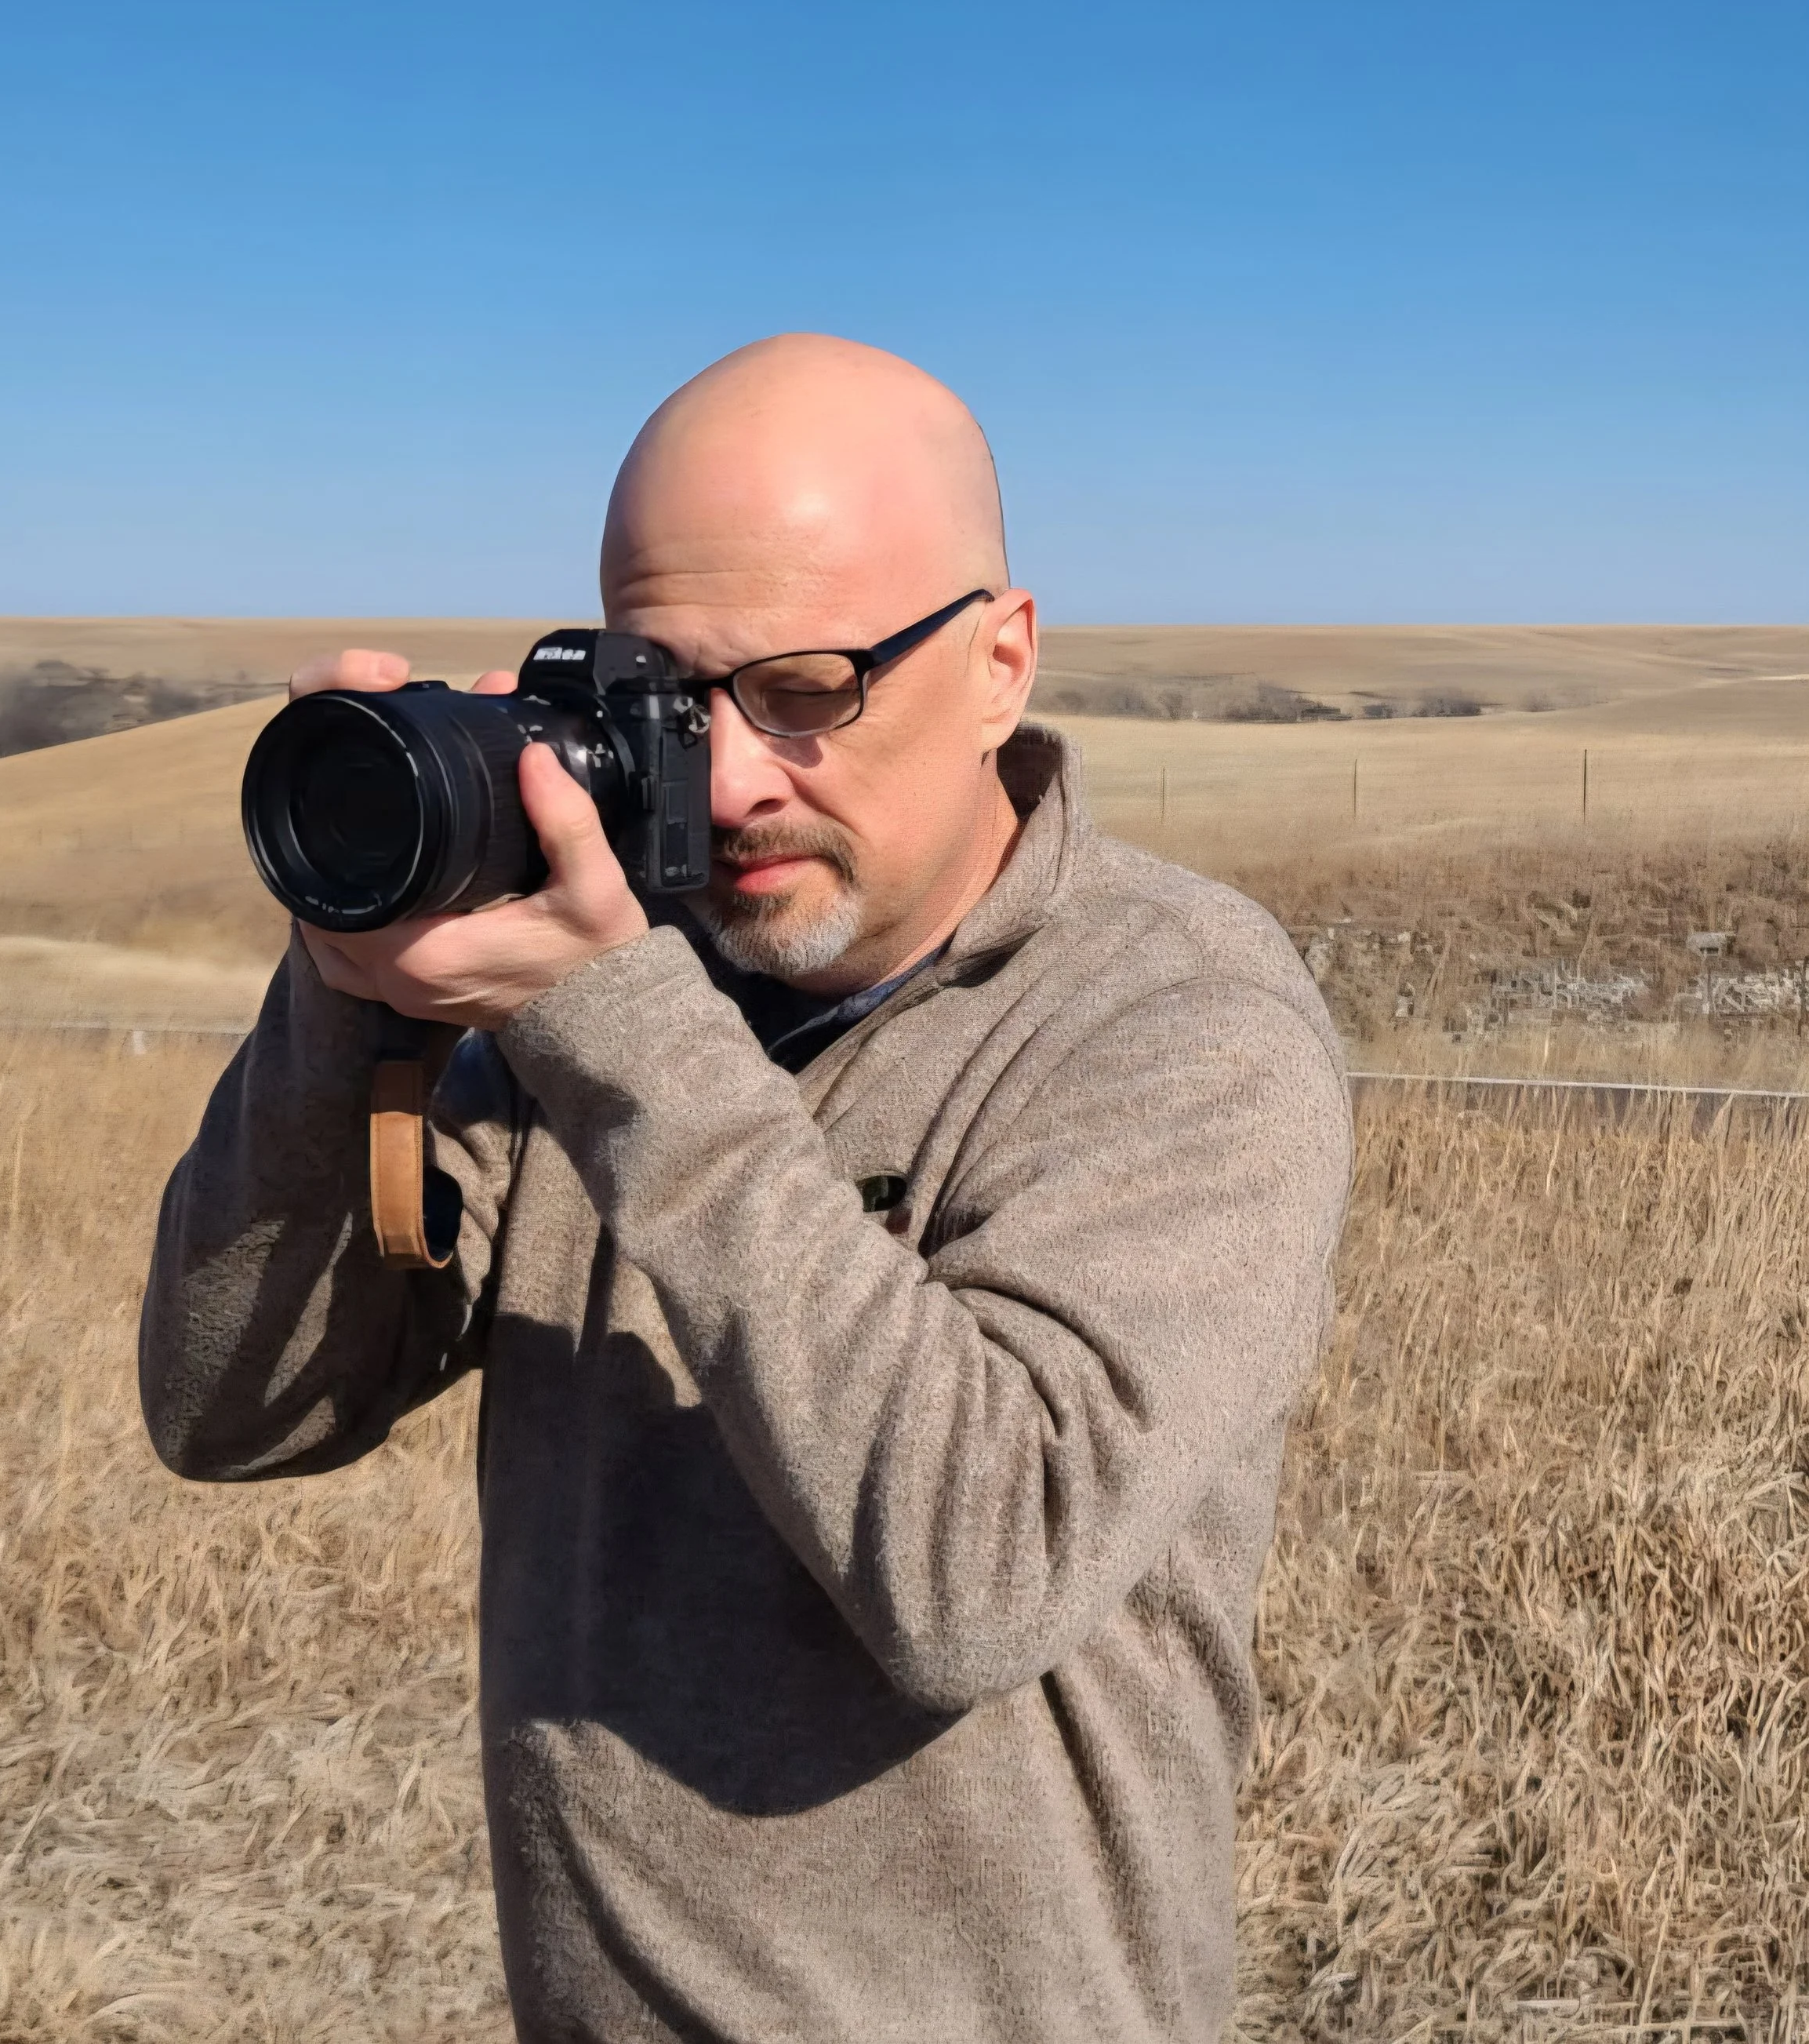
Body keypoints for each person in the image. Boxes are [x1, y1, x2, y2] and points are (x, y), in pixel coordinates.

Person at [139, 333, 1353, 2044]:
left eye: (801, 691)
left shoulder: (1172, 1017)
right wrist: (341, 993)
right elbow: (233, 1409)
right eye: (664, 696)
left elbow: (978, 1570)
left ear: (1000, 659)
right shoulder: (640, 988)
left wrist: (617, 1029)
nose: (722, 784)